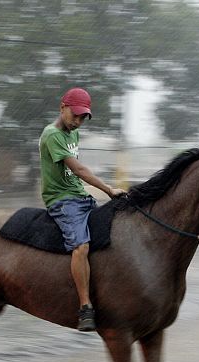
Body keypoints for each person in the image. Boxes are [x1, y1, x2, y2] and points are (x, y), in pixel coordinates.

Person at [39, 87, 126, 331]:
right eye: (74, 115)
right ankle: (85, 307)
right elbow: (79, 170)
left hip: (79, 196)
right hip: (62, 200)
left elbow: (75, 175)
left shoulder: (72, 134)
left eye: (82, 117)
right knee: (81, 245)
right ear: (62, 107)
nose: (78, 121)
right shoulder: (52, 134)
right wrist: (109, 189)